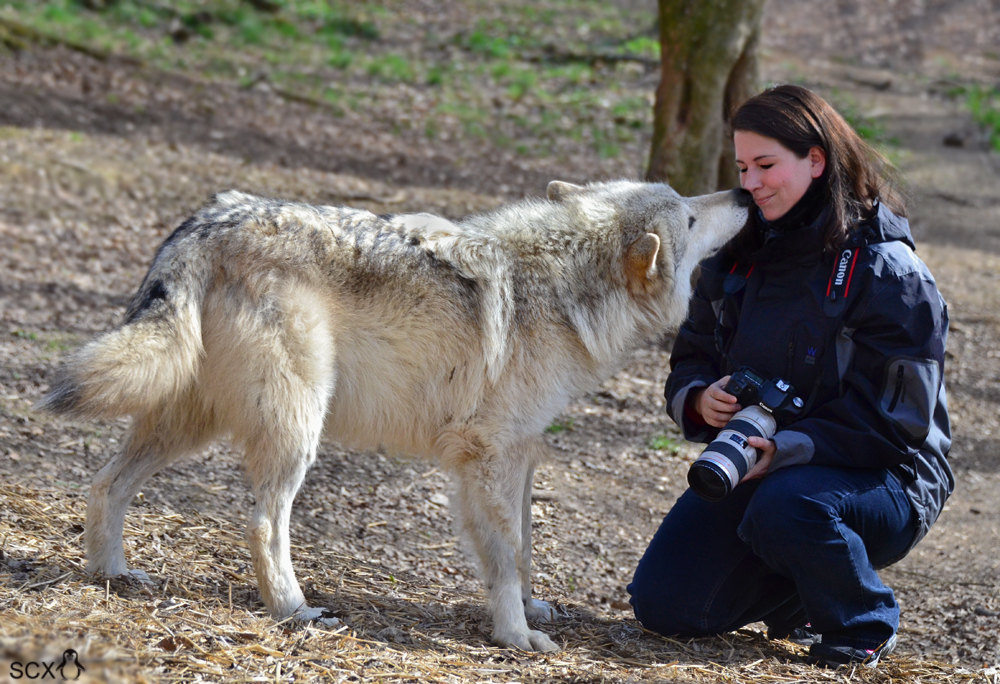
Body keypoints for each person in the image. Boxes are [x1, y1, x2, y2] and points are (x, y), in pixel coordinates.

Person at [627, 84, 953, 669]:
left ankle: (863, 621)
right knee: (666, 606)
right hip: (762, 464)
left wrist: (786, 449)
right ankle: (799, 595)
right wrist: (701, 400)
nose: (750, 184)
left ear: (816, 160)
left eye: (767, 165)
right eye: (743, 167)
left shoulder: (889, 271)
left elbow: (899, 422)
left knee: (787, 507)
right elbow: (691, 355)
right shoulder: (735, 254)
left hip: (886, 474)